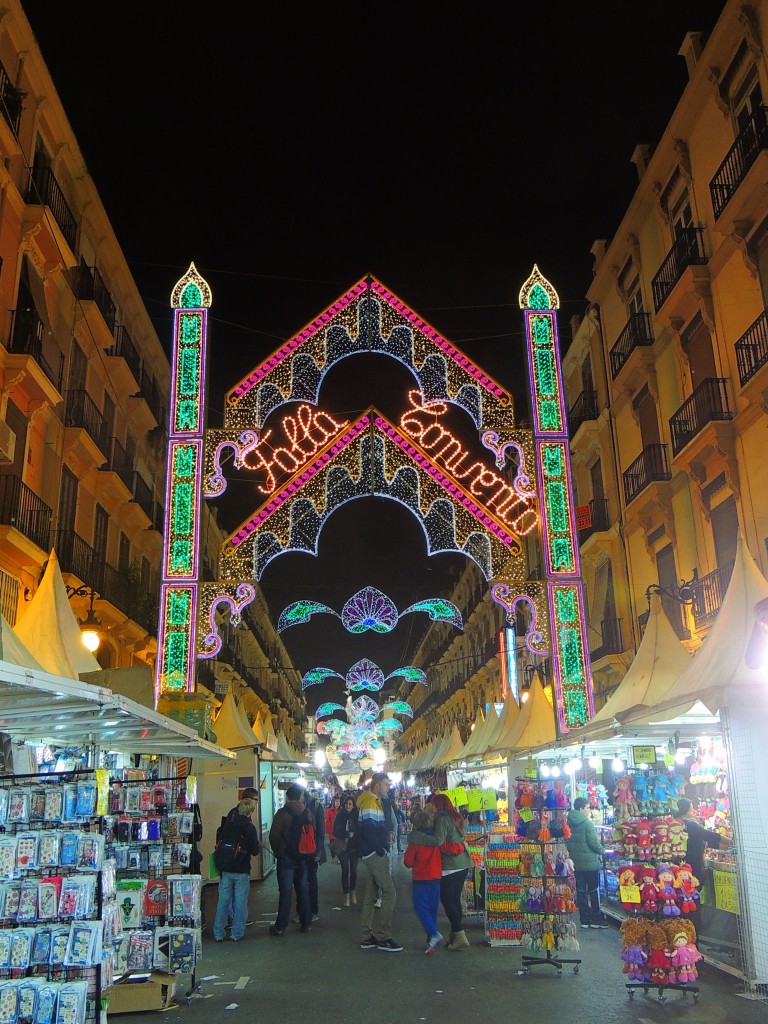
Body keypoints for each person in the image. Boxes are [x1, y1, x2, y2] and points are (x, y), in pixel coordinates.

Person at [408, 793, 472, 950]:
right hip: (462, 864)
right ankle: (456, 935)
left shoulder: (442, 819)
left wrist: (416, 838)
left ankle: (459, 934)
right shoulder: (456, 817)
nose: (433, 807)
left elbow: (437, 841)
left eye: (434, 804)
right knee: (454, 900)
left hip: (450, 866)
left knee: (449, 901)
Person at [357, 771, 402, 951]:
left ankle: (366, 936)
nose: (388, 787)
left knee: (370, 896)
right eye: (386, 784)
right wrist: (381, 849)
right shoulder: (370, 802)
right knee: (390, 892)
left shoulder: (374, 801)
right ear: (376, 785)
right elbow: (369, 830)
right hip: (373, 854)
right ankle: (384, 936)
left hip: (370, 853)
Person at [676, 796, 732, 932]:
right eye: (692, 807)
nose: (694, 810)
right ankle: (692, 933)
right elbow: (709, 836)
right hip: (693, 870)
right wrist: (732, 841)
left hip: (685, 868)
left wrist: (728, 846)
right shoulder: (690, 825)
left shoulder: (679, 824)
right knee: (692, 905)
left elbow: (708, 841)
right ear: (685, 810)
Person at [211, 795, 260, 942]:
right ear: (250, 812)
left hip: (225, 868)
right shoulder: (249, 828)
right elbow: (255, 851)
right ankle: (236, 933)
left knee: (223, 902)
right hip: (242, 870)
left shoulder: (228, 824)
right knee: (240, 903)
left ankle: (218, 933)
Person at [268, 783, 315, 936]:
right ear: (300, 796)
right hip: (303, 858)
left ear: (287, 797)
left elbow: (274, 836)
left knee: (286, 891)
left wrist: (279, 852)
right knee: (302, 889)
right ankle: (306, 923)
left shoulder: (282, 814)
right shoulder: (308, 813)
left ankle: (281, 926)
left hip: (286, 858)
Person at [404, 805, 443, 952]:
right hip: (436, 878)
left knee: (421, 908)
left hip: (421, 879)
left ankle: (434, 934)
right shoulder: (436, 840)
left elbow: (408, 862)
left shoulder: (415, 842)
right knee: (432, 909)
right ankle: (430, 941)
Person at [565, 797, 607, 929]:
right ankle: (596, 919)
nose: (589, 810)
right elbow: (593, 842)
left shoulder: (569, 822)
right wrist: (602, 851)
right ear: (581, 808)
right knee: (594, 891)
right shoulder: (587, 823)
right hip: (590, 864)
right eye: (588, 807)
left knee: (581, 891)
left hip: (576, 863)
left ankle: (584, 920)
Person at [301, 788, 326, 921]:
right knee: (301, 881)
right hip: (299, 851)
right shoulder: (297, 806)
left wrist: (319, 851)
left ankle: (313, 910)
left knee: (311, 879)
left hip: (312, 849)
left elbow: (321, 831)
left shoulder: (316, 806)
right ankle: (302, 911)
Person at [332, 794, 359, 906]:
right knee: (345, 871)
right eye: (346, 804)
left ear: (353, 806)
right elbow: (335, 831)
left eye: (350, 804)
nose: (348, 806)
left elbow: (360, 830)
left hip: (354, 847)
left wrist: (355, 835)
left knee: (354, 871)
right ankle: (346, 896)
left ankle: (353, 892)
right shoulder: (340, 816)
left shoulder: (357, 816)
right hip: (343, 847)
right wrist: (346, 834)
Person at [326, 795, 341, 860]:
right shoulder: (329, 811)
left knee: (339, 845)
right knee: (332, 845)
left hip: (339, 831)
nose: (337, 803)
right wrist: (327, 831)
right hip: (331, 831)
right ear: (333, 802)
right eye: (336, 801)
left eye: (339, 802)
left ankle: (338, 857)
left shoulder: (341, 811)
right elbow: (327, 821)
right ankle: (333, 857)